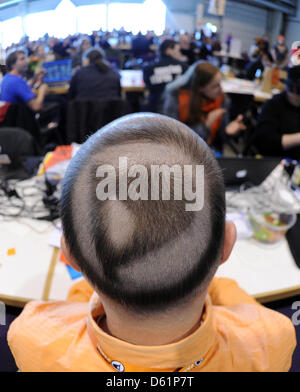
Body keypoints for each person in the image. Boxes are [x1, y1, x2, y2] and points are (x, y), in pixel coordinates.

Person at [8, 113, 296, 372]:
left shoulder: (34, 337)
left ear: (69, 255)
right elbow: (243, 308)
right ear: (227, 243)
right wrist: (184, 260)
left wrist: (114, 264)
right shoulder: (268, 341)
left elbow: (76, 303)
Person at [163, 61, 246, 152]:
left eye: (220, 83)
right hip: (183, 151)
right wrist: (206, 125)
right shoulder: (177, 99)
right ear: (199, 87)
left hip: (210, 151)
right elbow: (174, 136)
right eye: (214, 86)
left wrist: (228, 131)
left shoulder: (223, 100)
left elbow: (220, 139)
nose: (221, 89)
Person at [253, 65, 300, 159]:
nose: (296, 95)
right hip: (277, 160)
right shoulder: (273, 105)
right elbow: (265, 142)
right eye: (296, 90)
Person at [143, 39, 188, 112]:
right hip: (178, 110)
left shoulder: (148, 69)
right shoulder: (184, 67)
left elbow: (147, 87)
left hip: (154, 110)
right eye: (178, 50)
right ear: (169, 51)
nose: (180, 53)